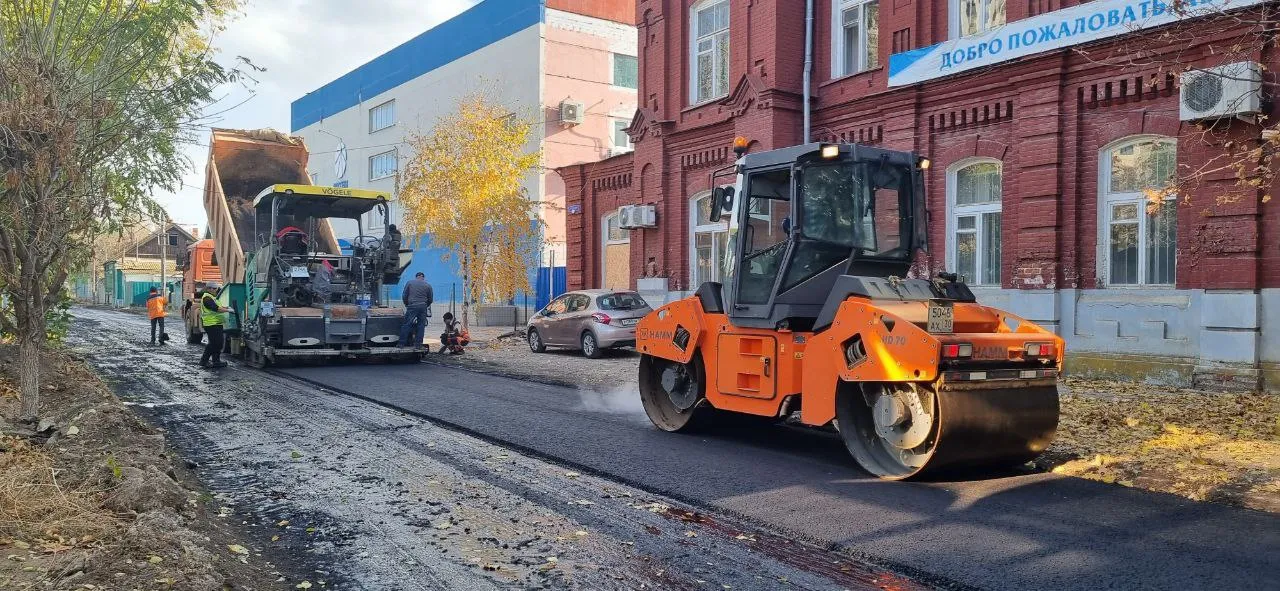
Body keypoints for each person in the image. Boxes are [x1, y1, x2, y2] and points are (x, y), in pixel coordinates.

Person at [198, 284, 231, 368]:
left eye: (216, 288)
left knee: (219, 343)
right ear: (209, 289)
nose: (215, 290)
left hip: (217, 323)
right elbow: (215, 308)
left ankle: (216, 361)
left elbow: (219, 307)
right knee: (213, 344)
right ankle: (204, 361)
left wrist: (226, 307)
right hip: (211, 324)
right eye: (214, 288)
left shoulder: (212, 297)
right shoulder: (207, 298)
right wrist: (228, 310)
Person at [398, 272, 433, 348]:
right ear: (423, 277)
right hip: (423, 306)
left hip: (412, 305)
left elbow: (404, 295)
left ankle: (401, 344)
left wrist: (406, 304)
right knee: (421, 326)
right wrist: (425, 305)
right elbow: (430, 299)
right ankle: (418, 344)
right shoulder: (428, 285)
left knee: (407, 324)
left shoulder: (410, 283)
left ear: (416, 277)